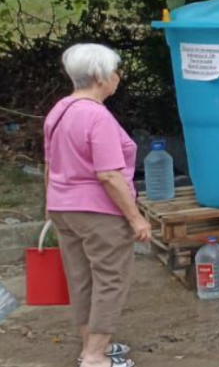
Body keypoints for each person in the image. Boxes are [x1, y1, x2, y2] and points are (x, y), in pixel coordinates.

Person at [44, 43, 151, 367]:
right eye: (115, 70)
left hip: (63, 206)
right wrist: (135, 219)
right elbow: (108, 174)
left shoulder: (60, 109)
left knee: (80, 277)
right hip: (98, 210)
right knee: (110, 278)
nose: (118, 77)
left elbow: (49, 164)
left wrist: (51, 204)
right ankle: (95, 356)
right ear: (99, 76)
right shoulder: (97, 116)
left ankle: (89, 344)